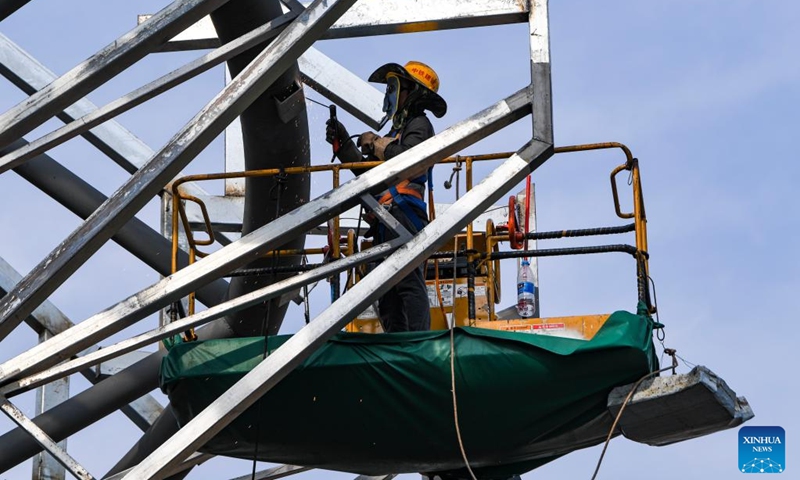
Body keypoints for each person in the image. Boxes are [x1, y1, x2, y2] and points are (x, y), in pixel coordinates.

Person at [325, 61, 447, 333]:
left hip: (405, 215)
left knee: (406, 280)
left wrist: (377, 143)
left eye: (394, 87)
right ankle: (397, 342)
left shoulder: (419, 124)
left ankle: (417, 340)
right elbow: (367, 173)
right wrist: (344, 143)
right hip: (384, 216)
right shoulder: (396, 133)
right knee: (385, 289)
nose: (389, 95)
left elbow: (408, 158)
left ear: (411, 91)